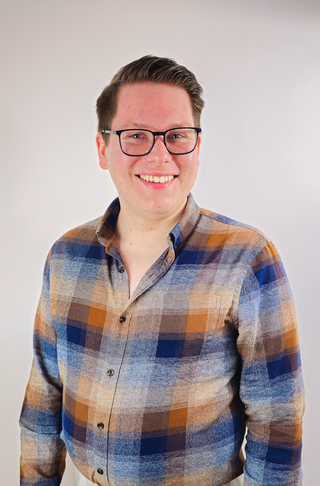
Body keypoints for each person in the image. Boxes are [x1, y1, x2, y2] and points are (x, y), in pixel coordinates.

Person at [20, 55, 304, 486]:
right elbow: (43, 396)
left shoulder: (248, 259)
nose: (159, 155)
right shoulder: (66, 256)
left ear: (197, 145)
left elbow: (277, 417)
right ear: (103, 149)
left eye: (176, 136)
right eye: (136, 136)